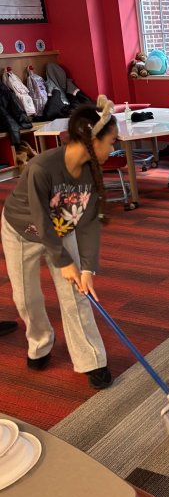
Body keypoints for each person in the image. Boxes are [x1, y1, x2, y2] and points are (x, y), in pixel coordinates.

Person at [1, 99, 118, 388]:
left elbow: (89, 223)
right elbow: (41, 222)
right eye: (111, 141)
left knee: (77, 294)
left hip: (63, 227)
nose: (113, 148)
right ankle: (40, 343)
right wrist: (63, 261)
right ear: (92, 140)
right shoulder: (43, 167)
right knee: (26, 297)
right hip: (21, 230)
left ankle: (91, 358)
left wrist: (88, 268)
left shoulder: (91, 172)